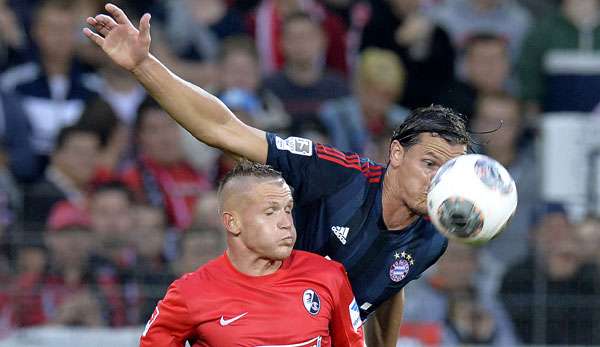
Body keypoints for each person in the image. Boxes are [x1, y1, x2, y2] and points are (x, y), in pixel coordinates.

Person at [83, 5, 470, 345]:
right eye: (430, 163)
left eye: (450, 170)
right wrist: (143, 65)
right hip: (245, 324)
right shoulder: (336, 176)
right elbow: (224, 129)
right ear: (397, 153)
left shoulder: (432, 238)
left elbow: (389, 283)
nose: (439, 180)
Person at [139, 161, 364, 346]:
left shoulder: (329, 276)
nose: (286, 223)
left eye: (288, 209)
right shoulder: (190, 293)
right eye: (270, 212)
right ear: (232, 222)